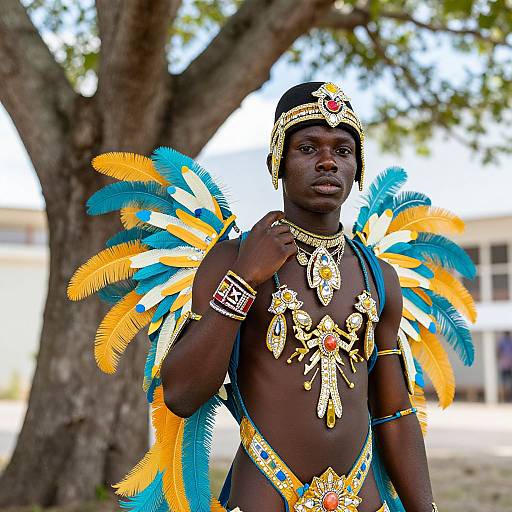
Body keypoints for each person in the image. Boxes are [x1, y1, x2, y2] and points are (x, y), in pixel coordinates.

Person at [69, 81, 476, 512]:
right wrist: (244, 278)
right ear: (276, 162)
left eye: (342, 150)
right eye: (307, 148)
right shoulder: (232, 258)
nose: (327, 162)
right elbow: (182, 394)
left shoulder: (380, 277)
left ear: (358, 168)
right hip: (263, 497)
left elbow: (394, 414)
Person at [498, 331, 512, 401]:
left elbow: (497, 352)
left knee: (505, 383)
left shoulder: (502, 342)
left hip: (505, 365)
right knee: (505, 383)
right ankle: (505, 398)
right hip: (506, 365)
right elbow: (498, 352)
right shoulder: (503, 342)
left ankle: (505, 398)